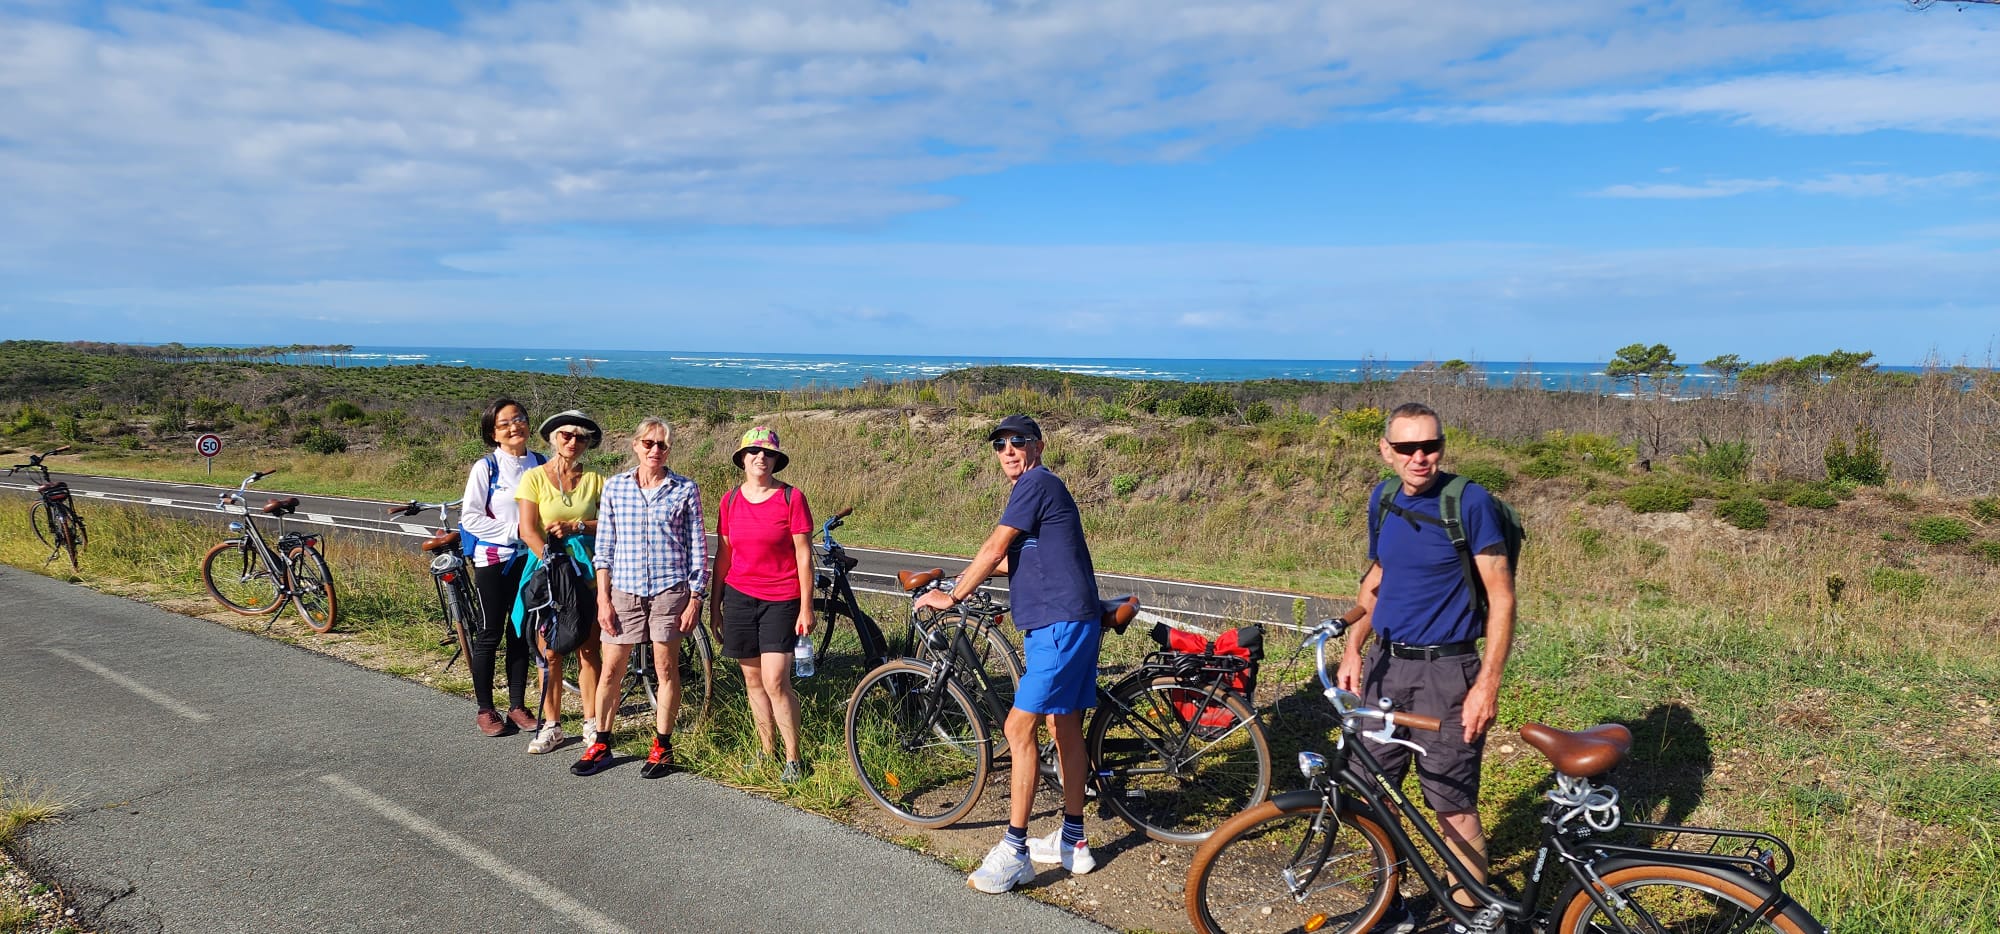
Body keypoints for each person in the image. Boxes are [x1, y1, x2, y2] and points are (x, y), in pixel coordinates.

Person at [1336, 401, 1516, 933]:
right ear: (1386, 450)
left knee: (1451, 801)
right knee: (1373, 794)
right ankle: (1389, 905)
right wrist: (1354, 647)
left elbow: (1502, 598)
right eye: (1408, 447)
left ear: (1442, 445)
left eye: (1431, 446)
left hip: (1447, 672)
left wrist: (1487, 684)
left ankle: (1470, 913)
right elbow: (1378, 576)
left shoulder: (1470, 503)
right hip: (1385, 667)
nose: (1421, 457)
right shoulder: (1384, 497)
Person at [914, 414, 1102, 894]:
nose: (1009, 450)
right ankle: (1073, 843)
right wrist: (961, 580)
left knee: (1018, 727)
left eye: (1018, 442)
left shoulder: (1036, 483)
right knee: (1064, 726)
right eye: (1000, 445)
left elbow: (996, 544)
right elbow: (1012, 558)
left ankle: (1015, 852)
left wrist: (952, 595)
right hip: (1062, 620)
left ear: (1038, 446)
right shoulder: (1040, 489)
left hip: (1060, 623)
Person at [572, 417, 707, 779]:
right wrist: (603, 598)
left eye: (662, 445)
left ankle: (662, 745)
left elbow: (698, 547)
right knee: (611, 670)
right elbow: (604, 549)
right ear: (635, 445)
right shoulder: (616, 488)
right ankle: (601, 742)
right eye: (648, 443)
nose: (655, 450)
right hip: (624, 591)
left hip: (669, 591)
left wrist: (696, 598)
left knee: (666, 669)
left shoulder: (685, 489)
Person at [709, 426, 814, 784]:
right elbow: (723, 556)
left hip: (781, 599)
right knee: (752, 680)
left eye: (767, 453)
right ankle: (766, 750)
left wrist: (806, 607)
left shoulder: (791, 498)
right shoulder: (730, 501)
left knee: (775, 681)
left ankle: (793, 757)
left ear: (776, 460)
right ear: (742, 458)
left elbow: (803, 555)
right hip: (739, 596)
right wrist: (715, 604)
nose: (760, 458)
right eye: (753, 452)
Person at [514, 410, 608, 756]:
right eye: (566, 435)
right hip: (548, 570)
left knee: (588, 647)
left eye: (580, 437)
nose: (572, 441)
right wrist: (551, 563)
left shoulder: (597, 480)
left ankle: (592, 721)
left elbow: (610, 522)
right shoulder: (534, 479)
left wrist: (578, 527)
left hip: (587, 570)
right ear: (553, 437)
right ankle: (551, 725)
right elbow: (528, 529)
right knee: (549, 651)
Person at [458, 398, 545, 736]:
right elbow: (471, 518)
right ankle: (485, 709)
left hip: (531, 561)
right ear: (493, 433)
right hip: (495, 561)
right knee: (490, 633)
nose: (514, 427)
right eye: (505, 423)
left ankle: (518, 705)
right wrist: (515, 532)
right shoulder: (487, 467)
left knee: (521, 632)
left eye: (519, 419)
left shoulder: (541, 463)